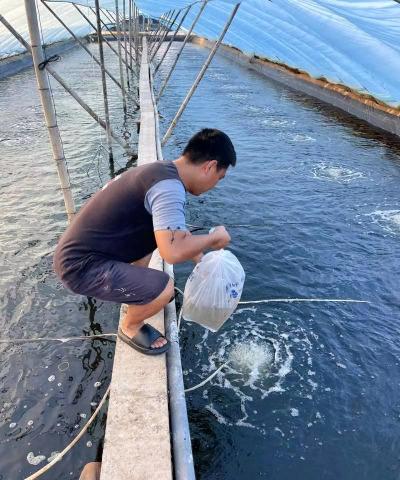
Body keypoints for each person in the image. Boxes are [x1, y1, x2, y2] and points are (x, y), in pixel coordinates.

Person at [54, 128, 236, 355]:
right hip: (80, 267)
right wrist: (213, 238)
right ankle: (131, 326)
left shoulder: (162, 172)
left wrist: (202, 263)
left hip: (80, 255)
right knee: (164, 288)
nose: (215, 184)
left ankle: (138, 293)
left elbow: (174, 233)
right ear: (209, 166)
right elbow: (172, 252)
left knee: (154, 235)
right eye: (219, 178)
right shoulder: (169, 188)